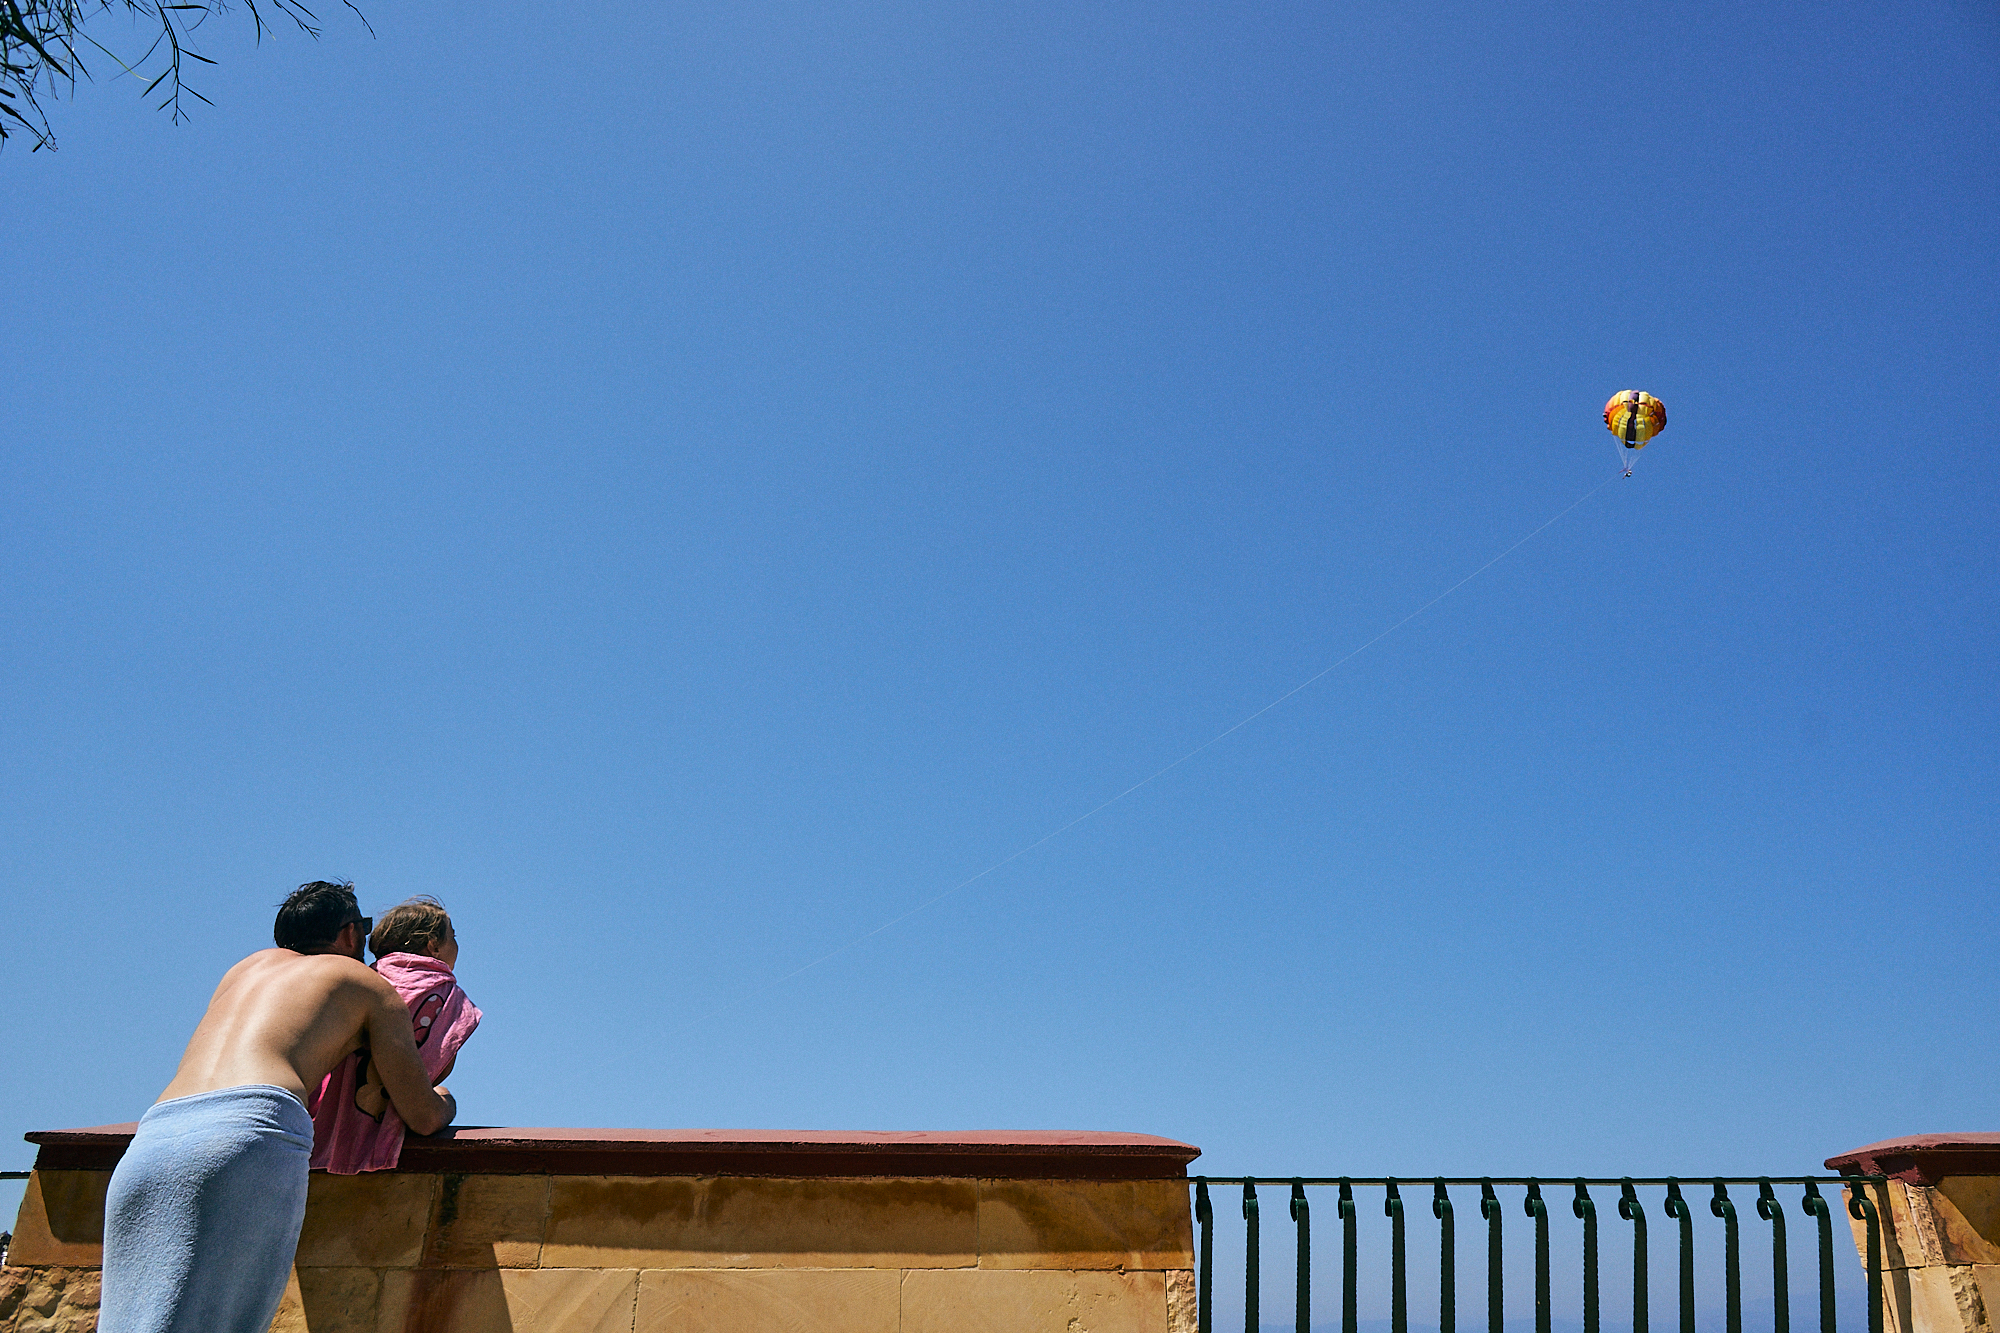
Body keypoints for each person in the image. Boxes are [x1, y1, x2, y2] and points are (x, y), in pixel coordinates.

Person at [99, 881, 457, 1333]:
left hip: (153, 1139)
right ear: (349, 933)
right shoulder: (366, 984)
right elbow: (421, 1115)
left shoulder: (243, 970)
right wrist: (444, 1101)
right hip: (251, 1135)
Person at [311, 895, 482, 1173]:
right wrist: (443, 1100)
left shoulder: (361, 980)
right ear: (433, 946)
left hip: (313, 1134)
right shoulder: (446, 994)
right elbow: (436, 1069)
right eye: (453, 936)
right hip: (382, 1147)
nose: (457, 944)